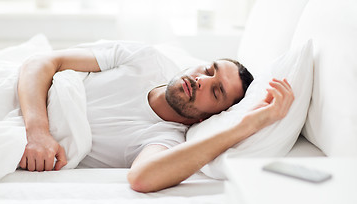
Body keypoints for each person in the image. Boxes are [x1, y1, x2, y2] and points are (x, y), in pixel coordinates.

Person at [17, 41, 294, 193]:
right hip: (20, 96)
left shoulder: (165, 138)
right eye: (210, 70)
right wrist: (38, 131)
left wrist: (245, 126)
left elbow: (142, 178)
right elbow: (42, 62)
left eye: (216, 91)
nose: (201, 80)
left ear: (208, 119)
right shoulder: (146, 59)